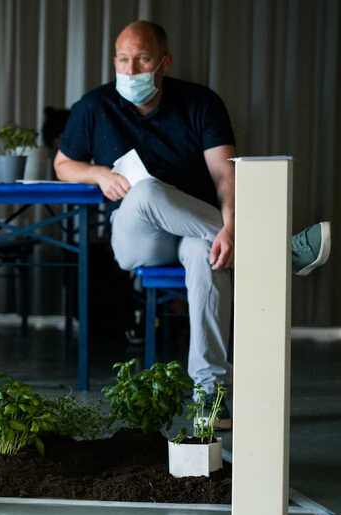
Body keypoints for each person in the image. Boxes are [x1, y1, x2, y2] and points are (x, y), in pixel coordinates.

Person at [54, 20, 331, 423]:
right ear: (114, 62)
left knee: (208, 253)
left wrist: (231, 228)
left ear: (164, 62)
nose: (130, 70)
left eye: (142, 59)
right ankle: (276, 253)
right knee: (146, 192)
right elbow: (63, 165)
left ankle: (210, 395)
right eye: (123, 60)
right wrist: (98, 174)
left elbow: (224, 175)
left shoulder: (201, 102)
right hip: (138, 238)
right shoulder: (94, 106)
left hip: (195, 230)